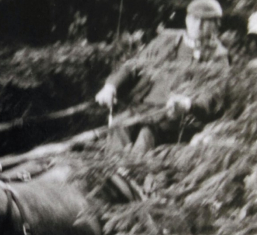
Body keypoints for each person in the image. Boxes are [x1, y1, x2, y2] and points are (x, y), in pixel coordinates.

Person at [95, 0, 231, 155]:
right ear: (187, 19)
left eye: (205, 21)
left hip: (175, 118)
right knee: (120, 124)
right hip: (143, 108)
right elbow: (134, 65)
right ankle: (111, 169)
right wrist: (111, 86)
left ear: (216, 25)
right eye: (194, 19)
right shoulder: (167, 40)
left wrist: (188, 105)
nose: (198, 25)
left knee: (146, 135)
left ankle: (130, 171)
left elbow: (213, 96)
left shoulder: (218, 57)